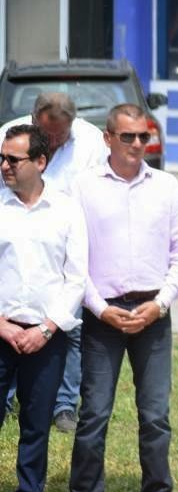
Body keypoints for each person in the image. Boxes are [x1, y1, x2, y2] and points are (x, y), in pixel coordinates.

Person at [64, 104, 178, 492]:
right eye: (128, 136)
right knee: (94, 414)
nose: (137, 144)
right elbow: (73, 258)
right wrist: (99, 308)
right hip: (102, 316)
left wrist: (160, 303)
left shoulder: (166, 186)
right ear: (108, 138)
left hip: (153, 314)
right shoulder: (84, 187)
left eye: (144, 136)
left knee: (155, 416)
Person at [0, 124, 88, 492]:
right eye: (1, 158)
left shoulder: (66, 211)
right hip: (0, 331)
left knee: (36, 428)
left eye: (12, 159)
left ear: (40, 162)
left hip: (46, 337)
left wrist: (47, 328)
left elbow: (76, 278)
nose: (4, 166)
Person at [1, 92, 108, 434]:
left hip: (65, 238)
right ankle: (8, 398)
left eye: (60, 134)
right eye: (47, 135)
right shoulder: (9, 136)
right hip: (17, 233)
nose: (54, 141)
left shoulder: (90, 141)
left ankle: (63, 404)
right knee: (12, 323)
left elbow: (100, 189)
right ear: (33, 120)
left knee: (70, 329)